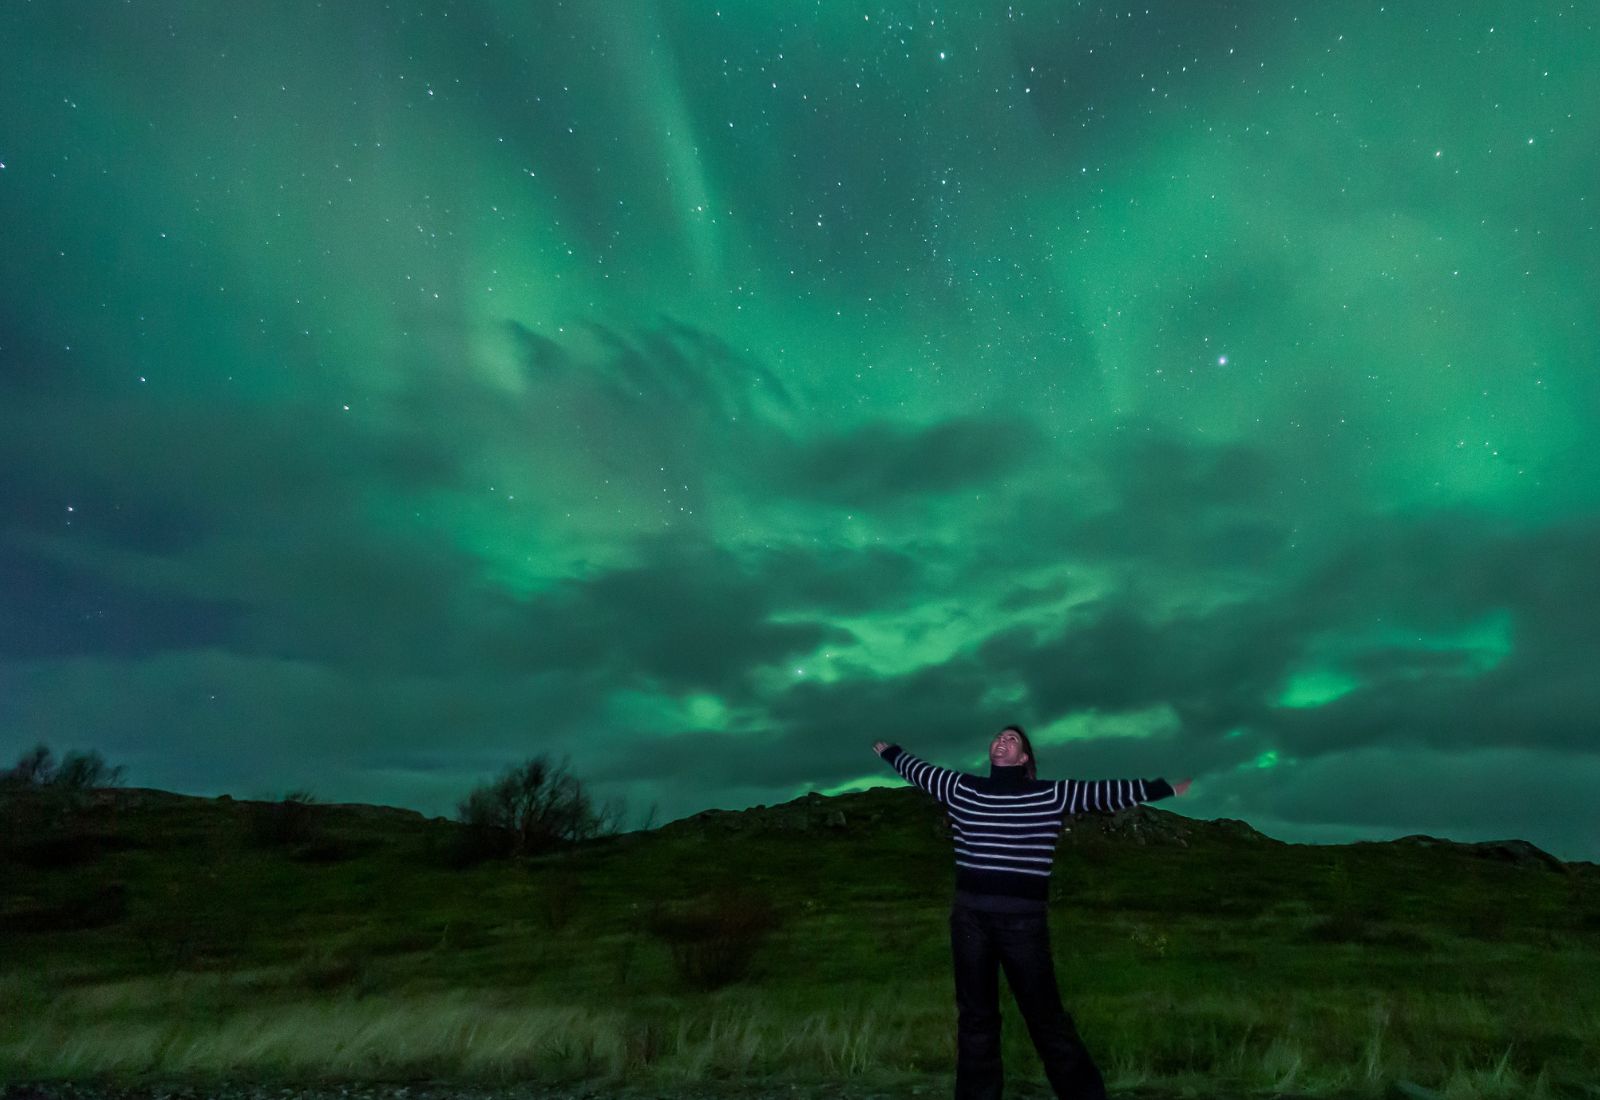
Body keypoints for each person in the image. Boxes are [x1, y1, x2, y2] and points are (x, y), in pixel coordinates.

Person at [873, 726, 1191, 1100]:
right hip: (970, 921)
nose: (1001, 741)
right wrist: (891, 752)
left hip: (1022, 924)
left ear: (1024, 759)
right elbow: (921, 772)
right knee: (976, 1018)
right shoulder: (961, 788)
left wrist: (1163, 788)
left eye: (1012, 740)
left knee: (1046, 1018)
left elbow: (1102, 793)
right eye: (998, 737)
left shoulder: (1049, 795)